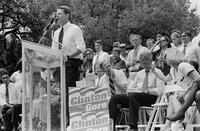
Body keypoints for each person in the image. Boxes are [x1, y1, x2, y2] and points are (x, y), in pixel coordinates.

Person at [109, 51, 164, 131]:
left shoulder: (158, 72)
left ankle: (133, 126)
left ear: (150, 61)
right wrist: (131, 91)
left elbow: (160, 90)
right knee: (115, 98)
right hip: (135, 97)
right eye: (142, 63)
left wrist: (148, 90)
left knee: (133, 96)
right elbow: (131, 87)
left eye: (146, 63)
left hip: (150, 97)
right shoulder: (140, 73)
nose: (144, 65)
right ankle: (112, 125)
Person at [51, 5, 86, 125]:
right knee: (62, 96)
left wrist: (69, 56)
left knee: (69, 94)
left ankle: (71, 123)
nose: (57, 16)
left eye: (60, 14)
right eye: (57, 14)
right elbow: (53, 51)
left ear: (67, 15)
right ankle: (64, 122)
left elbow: (82, 47)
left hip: (71, 64)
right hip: (59, 66)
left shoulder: (75, 29)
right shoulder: (55, 32)